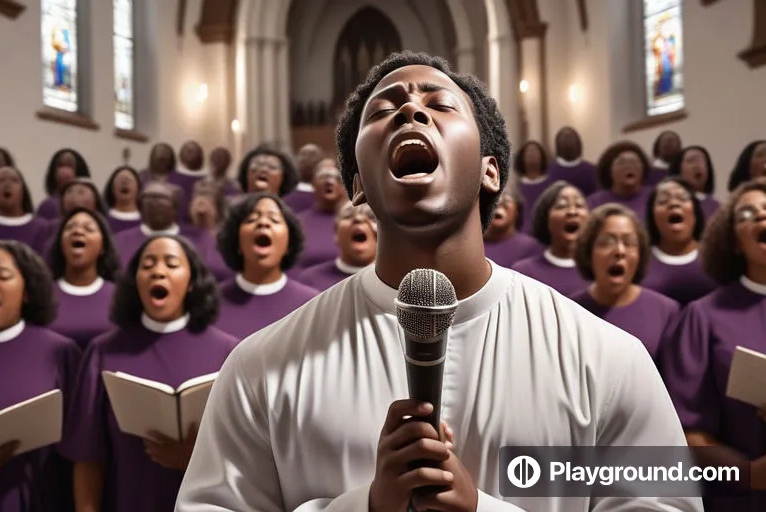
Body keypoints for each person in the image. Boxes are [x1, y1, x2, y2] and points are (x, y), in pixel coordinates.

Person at [176, 51, 699, 512]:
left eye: (440, 104)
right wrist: (366, 508)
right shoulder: (260, 367)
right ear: (357, 186)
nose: (410, 109)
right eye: (382, 111)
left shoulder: (606, 361)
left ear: (491, 171)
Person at [58, 235, 238, 512]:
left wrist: (196, 457)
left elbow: (248, 455)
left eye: (172, 263)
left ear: (191, 282)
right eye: (148, 264)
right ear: (136, 281)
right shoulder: (104, 351)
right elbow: (89, 457)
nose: (158, 271)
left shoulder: (228, 352)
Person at [661, 178, 766, 511]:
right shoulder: (702, 317)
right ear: (734, 241)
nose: (762, 218)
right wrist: (748, 474)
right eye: (747, 214)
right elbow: (689, 432)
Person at [0, 241, 81, 512]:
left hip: (43, 495)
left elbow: (80, 438)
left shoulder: (59, 351)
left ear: (27, 291)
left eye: (2, 275)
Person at [571, 204, 679, 362]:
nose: (619, 251)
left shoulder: (667, 311)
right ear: (588, 252)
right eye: (607, 242)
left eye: (629, 243)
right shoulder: (570, 311)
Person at [215, 193, 318, 339]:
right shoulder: (211, 303)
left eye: (274, 220)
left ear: (289, 243)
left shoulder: (312, 304)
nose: (263, 223)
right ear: (236, 240)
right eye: (251, 219)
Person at [46, 208, 120, 349]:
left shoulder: (119, 296)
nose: (78, 232)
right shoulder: (42, 294)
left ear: (103, 246)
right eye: (70, 227)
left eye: (89, 229)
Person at [642, 177, 717, 306]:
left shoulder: (716, 257)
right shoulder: (640, 260)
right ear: (652, 216)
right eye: (663, 200)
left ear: (695, 212)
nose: (673, 204)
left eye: (682, 198)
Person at [513, 181, 590, 297]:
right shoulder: (523, 273)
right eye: (562, 206)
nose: (572, 212)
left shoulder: (600, 272)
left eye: (579, 206)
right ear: (545, 218)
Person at [113, 181, 211, 266]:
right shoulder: (120, 240)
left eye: (161, 198)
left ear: (175, 207)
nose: (153, 203)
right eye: (148, 198)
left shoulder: (199, 239)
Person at [299, 201, 377, 291]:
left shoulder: (393, 282)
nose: (358, 219)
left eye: (371, 217)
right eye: (348, 216)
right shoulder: (309, 280)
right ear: (335, 233)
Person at [291, 160, 349, 275]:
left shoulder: (359, 224)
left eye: (336, 178)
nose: (329, 181)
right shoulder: (297, 223)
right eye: (323, 176)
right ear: (313, 184)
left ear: (344, 187)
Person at [587, 141, 653, 220]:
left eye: (634, 162)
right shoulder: (594, 202)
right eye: (621, 163)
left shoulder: (654, 197)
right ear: (609, 170)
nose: (629, 166)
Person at [482, 187, 543, 268]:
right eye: (494, 201)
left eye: (506, 202)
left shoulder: (530, 246)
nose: (499, 202)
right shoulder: (474, 243)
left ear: (517, 211)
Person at [187, 180, 232, 282]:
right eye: (198, 195)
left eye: (207, 195)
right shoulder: (183, 235)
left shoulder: (227, 237)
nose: (201, 200)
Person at [0, 166, 48, 254]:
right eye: (1, 180)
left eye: (14, 180)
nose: (7, 184)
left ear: (23, 190)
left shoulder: (41, 228)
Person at [37, 149, 91, 221]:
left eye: (69, 166)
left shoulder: (92, 205)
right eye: (60, 165)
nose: (64, 171)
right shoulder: (47, 206)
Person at [668, 145, 719, 220]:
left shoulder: (718, 209)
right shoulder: (668, 204)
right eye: (690, 161)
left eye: (701, 161)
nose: (697, 165)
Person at [512, 140, 553, 233]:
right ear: (522, 158)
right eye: (529, 152)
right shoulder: (515, 187)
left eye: (535, 152)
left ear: (541, 157)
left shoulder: (551, 185)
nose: (532, 155)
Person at [546, 126, 598, 197]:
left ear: (578, 144)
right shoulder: (548, 172)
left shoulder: (592, 171)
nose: (568, 141)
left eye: (571, 138)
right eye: (564, 138)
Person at [284, 143, 325, 213]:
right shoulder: (285, 190)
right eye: (303, 154)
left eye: (312, 155)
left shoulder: (327, 194)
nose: (307, 158)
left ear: (321, 161)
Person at [103, 165, 142, 234]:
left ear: (138, 189)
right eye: (120, 180)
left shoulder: (146, 222)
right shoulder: (103, 220)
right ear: (112, 188)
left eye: (129, 180)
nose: (124, 184)